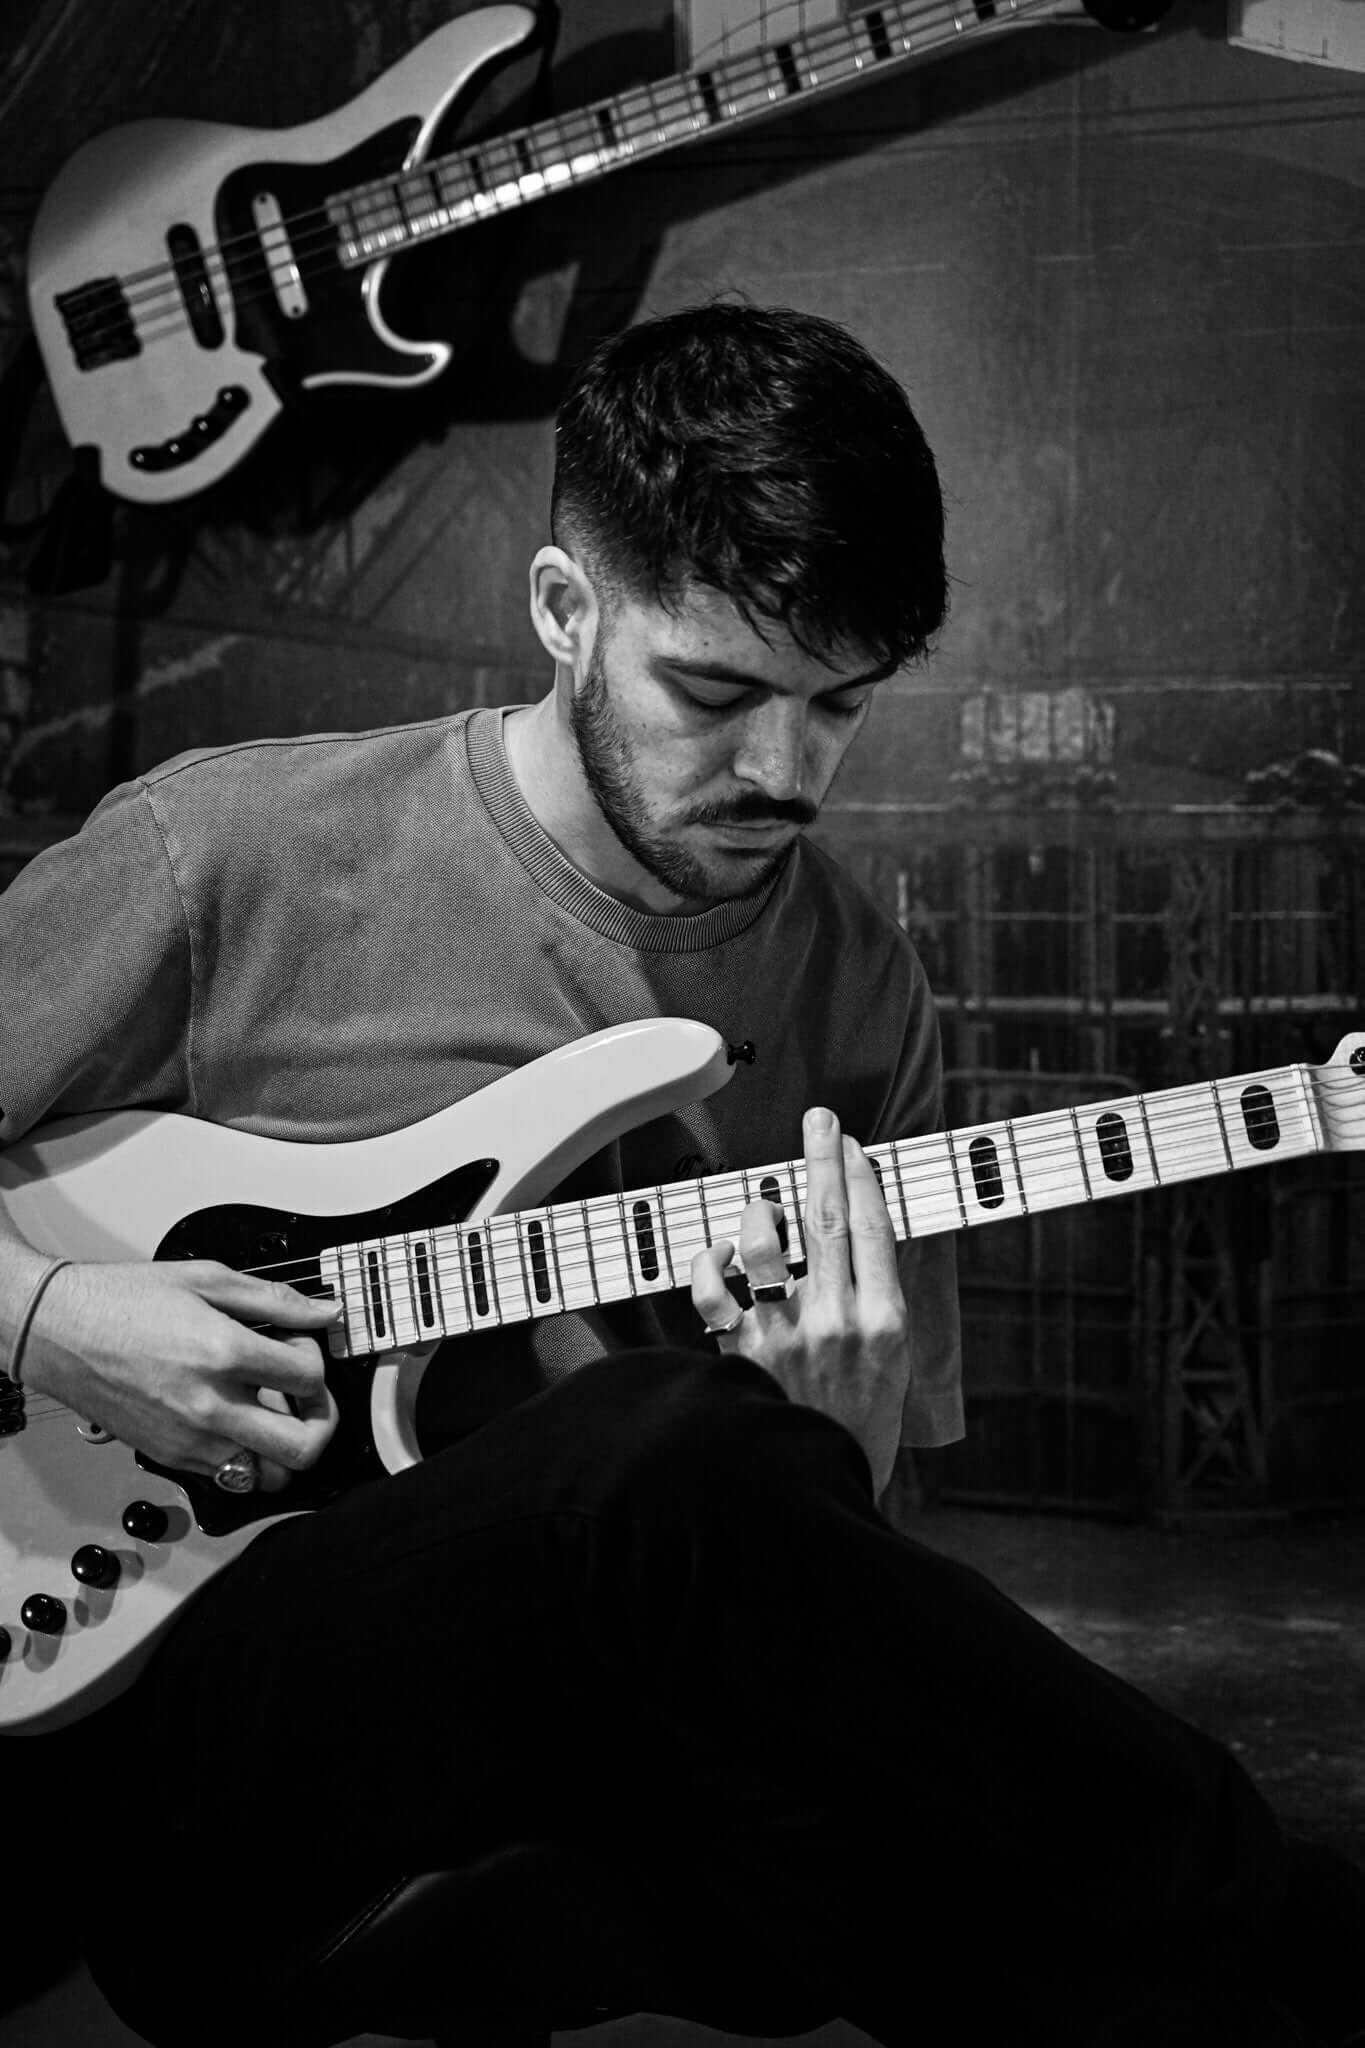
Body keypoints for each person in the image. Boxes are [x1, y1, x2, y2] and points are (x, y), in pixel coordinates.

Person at [1, 303, 1360, 2048]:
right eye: (714, 695)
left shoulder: (861, 989)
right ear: (565, 612)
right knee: (658, 1449)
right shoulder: (229, 855)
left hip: (579, 1785)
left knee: (922, 1854)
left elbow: (838, 1615)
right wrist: (48, 1315)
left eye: (839, 705)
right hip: (172, 1721)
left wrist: (834, 1445)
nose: (784, 772)